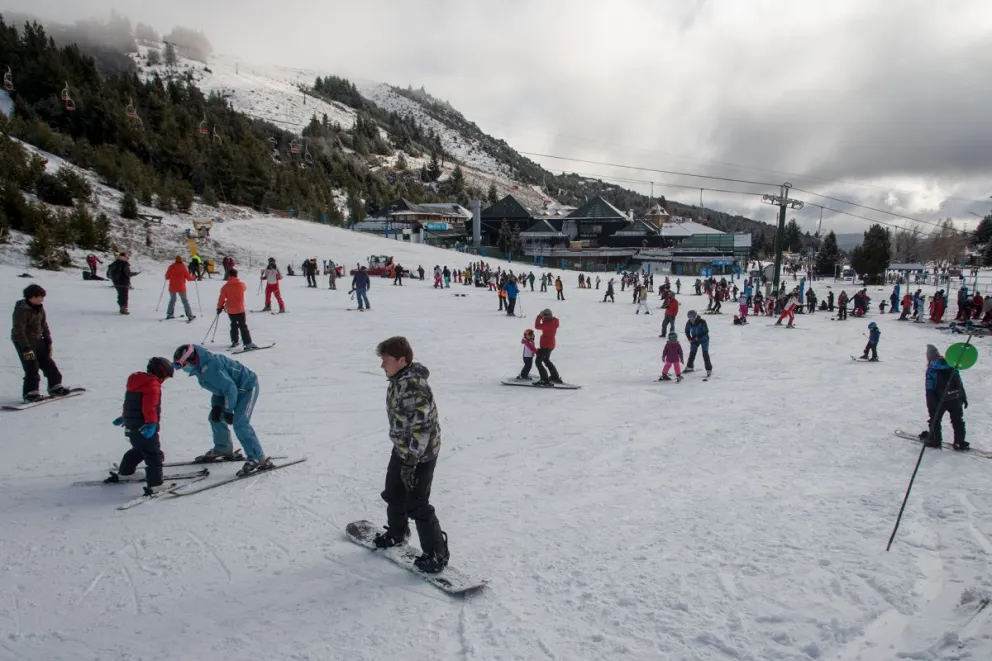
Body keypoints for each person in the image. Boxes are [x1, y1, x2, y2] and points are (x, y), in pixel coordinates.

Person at [372, 336, 448, 573]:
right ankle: (397, 532)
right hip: (403, 449)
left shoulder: (414, 387)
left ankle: (437, 554)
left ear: (402, 360)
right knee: (394, 493)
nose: (382, 365)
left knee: (417, 503)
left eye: (386, 361)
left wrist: (411, 461)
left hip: (420, 454)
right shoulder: (398, 379)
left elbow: (423, 428)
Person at [172, 344, 272, 474]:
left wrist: (228, 410)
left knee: (240, 423)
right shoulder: (202, 368)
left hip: (246, 388)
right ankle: (223, 447)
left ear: (191, 359)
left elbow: (230, 389)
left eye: (182, 365)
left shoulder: (212, 367)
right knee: (215, 418)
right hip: (230, 391)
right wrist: (216, 407)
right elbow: (219, 390)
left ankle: (257, 458)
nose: (183, 369)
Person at [109, 357, 174, 494]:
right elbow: (149, 406)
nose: (164, 381)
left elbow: (130, 402)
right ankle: (156, 484)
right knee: (153, 454)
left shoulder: (136, 381)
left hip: (132, 424)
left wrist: (125, 417)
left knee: (138, 450)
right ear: (161, 372)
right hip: (145, 426)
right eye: (166, 377)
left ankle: (126, 473)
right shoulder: (152, 385)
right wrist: (151, 424)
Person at [11, 284, 70, 403]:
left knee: (48, 363)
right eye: (39, 297)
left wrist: (48, 340)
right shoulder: (21, 310)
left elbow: (44, 324)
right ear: (31, 297)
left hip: (39, 340)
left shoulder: (39, 307)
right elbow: (19, 330)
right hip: (24, 343)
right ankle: (30, 393)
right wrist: (25, 347)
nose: (42, 299)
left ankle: (55, 386)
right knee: (31, 365)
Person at [921, 344, 969, 450]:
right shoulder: (952, 365)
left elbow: (930, 388)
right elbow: (959, 382)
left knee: (935, 420)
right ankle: (959, 442)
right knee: (958, 421)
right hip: (955, 398)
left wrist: (931, 405)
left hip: (939, 400)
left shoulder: (932, 369)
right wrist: (963, 397)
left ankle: (936, 441)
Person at [217, 269, 256, 350]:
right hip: (240, 309)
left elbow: (221, 299)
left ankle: (235, 341)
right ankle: (248, 343)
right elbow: (245, 288)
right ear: (236, 275)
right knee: (243, 326)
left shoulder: (225, 287)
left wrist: (219, 307)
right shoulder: (241, 285)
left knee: (233, 325)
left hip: (230, 310)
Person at [534, 309, 562, 386]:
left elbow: (537, 326)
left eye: (545, 315)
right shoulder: (552, 321)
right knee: (546, 360)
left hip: (546, 346)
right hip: (549, 345)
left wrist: (539, 316)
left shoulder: (549, 324)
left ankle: (544, 380)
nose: (544, 317)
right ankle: (554, 376)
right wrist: (542, 317)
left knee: (538, 362)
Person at [164, 256, 196, 320]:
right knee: (185, 301)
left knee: (172, 300)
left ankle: (170, 314)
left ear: (175, 260)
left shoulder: (171, 267)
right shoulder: (183, 268)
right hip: (181, 287)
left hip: (172, 287)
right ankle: (190, 316)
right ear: (181, 260)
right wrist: (193, 277)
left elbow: (167, 277)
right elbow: (189, 278)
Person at [684, 310, 712, 377]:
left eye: (692, 317)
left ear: (695, 316)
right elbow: (687, 331)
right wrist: (689, 339)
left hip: (704, 339)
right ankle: (689, 366)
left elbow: (706, 331)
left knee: (705, 353)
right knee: (692, 352)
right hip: (694, 339)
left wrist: (698, 337)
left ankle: (708, 369)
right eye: (689, 318)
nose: (691, 319)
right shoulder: (689, 323)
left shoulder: (702, 321)